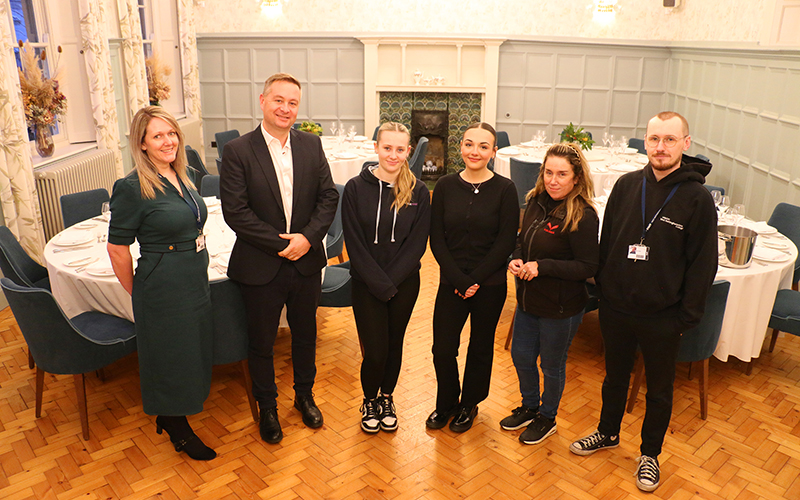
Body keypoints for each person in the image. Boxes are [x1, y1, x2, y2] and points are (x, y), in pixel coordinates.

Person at [569, 112, 717, 492]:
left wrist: (685, 318)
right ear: (646, 142)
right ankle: (607, 432)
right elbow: (608, 242)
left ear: (685, 143)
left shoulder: (697, 199)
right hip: (617, 307)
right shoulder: (626, 185)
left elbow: (703, 264)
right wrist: (604, 291)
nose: (660, 147)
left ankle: (650, 453)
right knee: (614, 379)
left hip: (664, 316)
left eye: (669, 139)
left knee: (660, 391)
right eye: (654, 139)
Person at [219, 73, 339, 444]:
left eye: (292, 103)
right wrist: (283, 244)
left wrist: (307, 239)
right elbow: (236, 212)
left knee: (305, 335)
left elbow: (328, 197)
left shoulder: (311, 145)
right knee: (262, 342)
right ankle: (267, 407)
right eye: (278, 100)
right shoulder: (238, 150)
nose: (285, 109)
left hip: (306, 263)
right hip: (260, 264)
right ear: (263, 101)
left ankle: (304, 396)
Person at [107, 106, 215, 461]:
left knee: (191, 349)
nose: (168, 141)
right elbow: (117, 248)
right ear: (142, 143)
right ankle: (174, 424)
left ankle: (176, 414)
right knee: (170, 355)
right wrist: (138, 292)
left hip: (193, 275)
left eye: (171, 134)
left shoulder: (184, 174)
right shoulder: (132, 187)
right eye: (157, 136)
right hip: (163, 283)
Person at [503, 143, 599, 445]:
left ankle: (547, 417)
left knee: (551, 366)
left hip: (561, 307)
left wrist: (541, 266)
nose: (553, 180)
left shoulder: (583, 215)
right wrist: (516, 257)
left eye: (561, 174)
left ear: (576, 178)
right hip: (528, 300)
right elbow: (523, 241)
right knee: (521, 356)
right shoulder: (535, 201)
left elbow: (587, 266)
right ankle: (530, 407)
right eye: (548, 172)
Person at [426, 122, 519, 433]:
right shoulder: (444, 186)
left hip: (489, 284)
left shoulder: (505, 189)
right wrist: (459, 279)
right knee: (442, 348)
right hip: (451, 282)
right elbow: (436, 238)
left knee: (480, 347)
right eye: (469, 144)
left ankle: (469, 404)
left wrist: (474, 279)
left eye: (483, 146)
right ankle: (446, 402)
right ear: (461, 147)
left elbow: (505, 242)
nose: (475, 151)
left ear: (493, 152)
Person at [342, 122, 431, 433]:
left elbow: (417, 244)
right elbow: (353, 242)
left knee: (394, 345)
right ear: (376, 148)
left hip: (404, 284)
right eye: (387, 148)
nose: (393, 155)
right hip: (366, 284)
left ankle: (387, 397)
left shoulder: (419, 191)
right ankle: (369, 400)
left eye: (400, 149)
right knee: (375, 350)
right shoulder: (355, 188)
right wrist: (379, 284)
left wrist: (391, 283)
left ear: (408, 152)